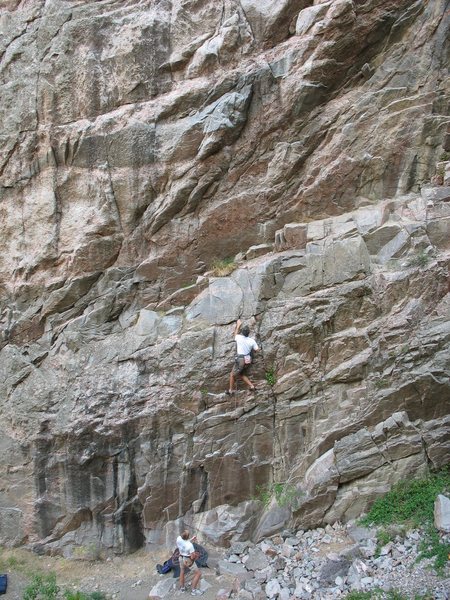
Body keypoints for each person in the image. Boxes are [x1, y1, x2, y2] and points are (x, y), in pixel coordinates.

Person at [227, 318, 259, 395]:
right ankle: (252, 386)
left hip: (240, 360)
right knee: (241, 374)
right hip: (248, 360)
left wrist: (238, 325)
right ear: (248, 333)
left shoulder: (239, 338)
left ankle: (231, 390)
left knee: (232, 375)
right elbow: (257, 350)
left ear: (242, 333)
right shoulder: (252, 341)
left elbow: (235, 334)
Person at [176, 530, 203, 595]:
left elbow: (184, 543)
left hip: (181, 557)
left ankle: (182, 588)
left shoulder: (179, 538)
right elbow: (192, 557)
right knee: (198, 573)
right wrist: (197, 555)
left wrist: (191, 539)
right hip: (187, 560)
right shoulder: (190, 546)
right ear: (187, 537)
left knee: (182, 571)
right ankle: (193, 590)